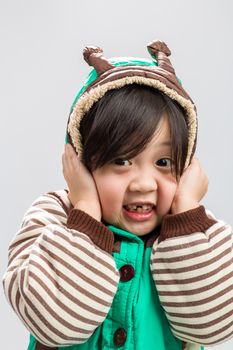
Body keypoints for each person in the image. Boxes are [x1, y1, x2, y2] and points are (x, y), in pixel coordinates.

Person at [3, 40, 233, 350]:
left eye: (163, 163)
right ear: (83, 161)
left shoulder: (194, 236)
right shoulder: (54, 216)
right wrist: (84, 210)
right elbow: (54, 324)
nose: (143, 184)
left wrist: (188, 208)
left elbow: (212, 326)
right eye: (121, 161)